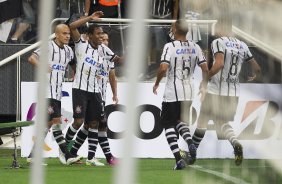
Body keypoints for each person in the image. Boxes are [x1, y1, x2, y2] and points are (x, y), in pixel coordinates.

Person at [192, 35, 261, 166]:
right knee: (222, 122)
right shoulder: (243, 45)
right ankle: (235, 143)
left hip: (215, 90)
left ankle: (192, 152)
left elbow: (219, 63)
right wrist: (255, 75)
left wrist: (205, 80)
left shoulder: (218, 42)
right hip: (233, 93)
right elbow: (257, 68)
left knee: (202, 121)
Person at [64, 11, 122, 166]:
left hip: (96, 91)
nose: (100, 37)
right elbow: (71, 26)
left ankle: (90, 157)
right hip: (80, 89)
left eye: (102, 34)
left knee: (94, 124)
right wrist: (90, 18)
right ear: (89, 35)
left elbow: (117, 61)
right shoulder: (81, 44)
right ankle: (64, 149)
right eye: (97, 34)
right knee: (78, 122)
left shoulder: (103, 50)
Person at [153, 19, 208, 170]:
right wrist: (204, 85)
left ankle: (179, 159)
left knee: (168, 123)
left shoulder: (169, 46)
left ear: (176, 30)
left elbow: (163, 68)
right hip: (189, 91)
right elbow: (205, 68)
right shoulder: (196, 46)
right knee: (179, 121)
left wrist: (157, 82)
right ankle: (190, 143)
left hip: (172, 91)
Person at [27, 24, 81, 165]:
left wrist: (78, 76)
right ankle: (67, 155)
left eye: (68, 33)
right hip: (46, 91)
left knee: (49, 123)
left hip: (57, 92)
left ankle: (32, 156)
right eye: (64, 33)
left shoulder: (69, 50)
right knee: (57, 121)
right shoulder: (48, 46)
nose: (68, 36)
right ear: (56, 35)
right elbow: (31, 58)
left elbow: (74, 65)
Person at [146, 0, 179, 79]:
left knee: (160, 45)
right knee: (149, 44)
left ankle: (160, 69)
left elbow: (175, 4)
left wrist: (174, 22)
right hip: (150, 16)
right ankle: (152, 68)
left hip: (165, 18)